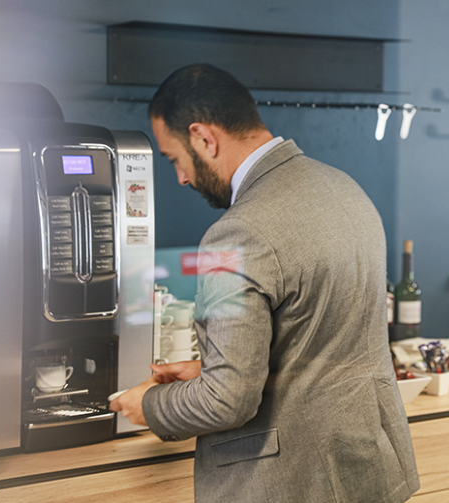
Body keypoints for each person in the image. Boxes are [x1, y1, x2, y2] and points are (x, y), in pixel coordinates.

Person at [111, 64, 419, 503]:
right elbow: (318, 341)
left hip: (292, 482)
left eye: (175, 159)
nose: (181, 177)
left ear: (203, 137)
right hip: (370, 466)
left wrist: (149, 407)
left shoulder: (235, 234)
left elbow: (227, 402)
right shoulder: (344, 188)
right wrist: (210, 370)